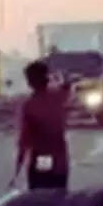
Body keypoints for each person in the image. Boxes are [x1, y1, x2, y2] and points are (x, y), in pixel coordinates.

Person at [11, 60, 72, 190]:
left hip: (42, 157)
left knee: (39, 195)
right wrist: (56, 76)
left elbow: (24, 141)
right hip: (60, 159)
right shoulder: (58, 97)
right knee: (59, 196)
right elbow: (67, 84)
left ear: (30, 81)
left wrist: (18, 169)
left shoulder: (29, 105)